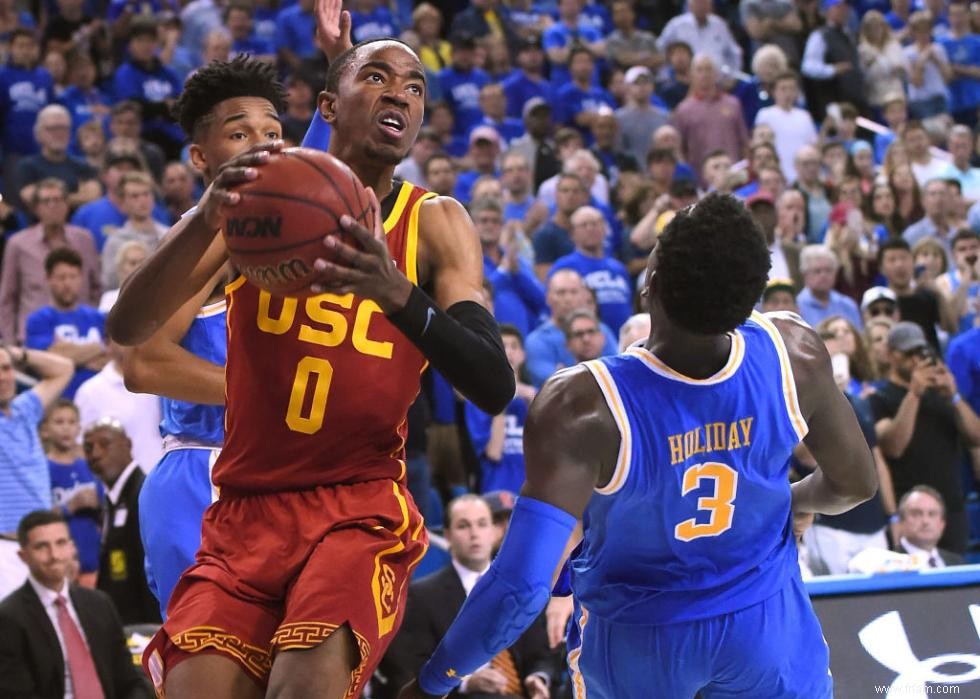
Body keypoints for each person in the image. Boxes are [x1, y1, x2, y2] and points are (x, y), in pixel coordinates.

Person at [108, 19, 515, 699]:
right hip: (245, 508)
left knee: (303, 687)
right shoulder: (257, 207)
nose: (401, 94)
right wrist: (206, 217)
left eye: (415, 86)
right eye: (379, 78)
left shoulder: (435, 221)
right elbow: (130, 330)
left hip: (358, 507)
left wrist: (397, 293)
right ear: (327, 108)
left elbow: (493, 382)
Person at [398, 193, 877, 699]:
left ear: (650, 284)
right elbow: (855, 483)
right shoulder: (793, 352)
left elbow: (520, 587)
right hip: (765, 628)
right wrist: (792, 500)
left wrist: (434, 681)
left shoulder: (581, 404)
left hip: (637, 642)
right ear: (749, 295)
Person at [381, 495, 558, 699]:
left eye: (482, 524)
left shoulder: (519, 588)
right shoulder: (421, 596)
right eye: (463, 526)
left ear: (495, 531)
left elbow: (541, 655)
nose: (475, 534)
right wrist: (465, 683)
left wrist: (538, 678)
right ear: (447, 536)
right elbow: (411, 669)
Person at [0, 510, 151, 699]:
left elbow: (129, 680)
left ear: (72, 547)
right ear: (23, 556)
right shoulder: (9, 618)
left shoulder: (99, 604)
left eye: (61, 543)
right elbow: (16, 694)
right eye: (41, 547)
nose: (54, 555)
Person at [868, 321, 980, 553]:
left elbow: (976, 437)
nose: (915, 360)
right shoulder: (879, 399)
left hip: (949, 511)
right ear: (890, 355)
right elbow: (893, 447)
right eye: (907, 353)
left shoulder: (941, 395)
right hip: (909, 511)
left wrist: (954, 396)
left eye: (920, 352)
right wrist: (914, 393)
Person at [0, 346, 73, 600]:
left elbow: (64, 369)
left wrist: (17, 354)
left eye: (6, 369)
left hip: (45, 547)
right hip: (6, 549)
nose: (2, 377)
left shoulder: (25, 409)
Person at [0, 178, 101, 345]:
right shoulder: (18, 244)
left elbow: (96, 288)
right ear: (36, 208)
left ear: (67, 205)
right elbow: (7, 298)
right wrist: (11, 345)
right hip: (33, 340)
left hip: (82, 338)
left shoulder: (85, 240)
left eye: (58, 200)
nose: (52, 206)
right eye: (46, 201)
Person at [84, 418, 160, 626]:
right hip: (125, 623)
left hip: (146, 626)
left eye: (105, 444)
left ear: (127, 444)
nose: (95, 454)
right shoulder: (113, 500)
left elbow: (152, 568)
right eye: (88, 448)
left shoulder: (143, 493)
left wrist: (155, 629)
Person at [26, 248, 108, 400]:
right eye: (61, 277)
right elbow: (47, 361)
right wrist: (98, 347)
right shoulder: (38, 320)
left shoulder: (99, 318)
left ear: (81, 278)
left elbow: (113, 358)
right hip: (58, 403)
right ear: (48, 278)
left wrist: (68, 353)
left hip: (98, 401)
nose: (67, 283)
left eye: (73, 276)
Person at [42, 398, 102, 588]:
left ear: (79, 428)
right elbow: (37, 517)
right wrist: (70, 507)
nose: (66, 428)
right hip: (59, 567)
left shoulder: (90, 466)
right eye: (59, 422)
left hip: (95, 562)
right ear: (45, 429)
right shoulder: (41, 469)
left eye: (71, 422)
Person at [895, 486, 965, 567]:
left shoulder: (957, 563)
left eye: (932, 514)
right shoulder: (888, 564)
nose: (926, 521)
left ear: (942, 524)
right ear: (901, 521)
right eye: (916, 514)